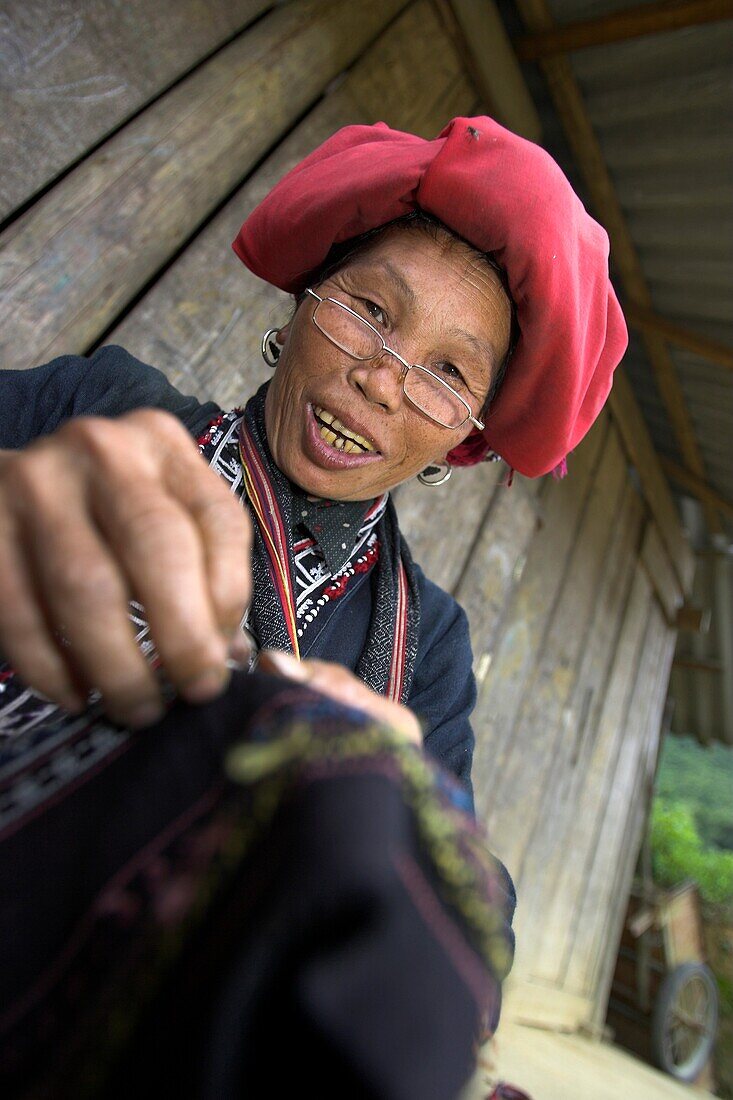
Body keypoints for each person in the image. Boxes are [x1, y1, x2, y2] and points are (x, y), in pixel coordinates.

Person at [0, 116, 626, 1093]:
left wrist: (402, 812)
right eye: (371, 310)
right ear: (301, 302)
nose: (382, 377)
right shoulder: (105, 409)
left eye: (448, 371)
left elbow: (477, 922)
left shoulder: (423, 646)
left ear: (461, 438)